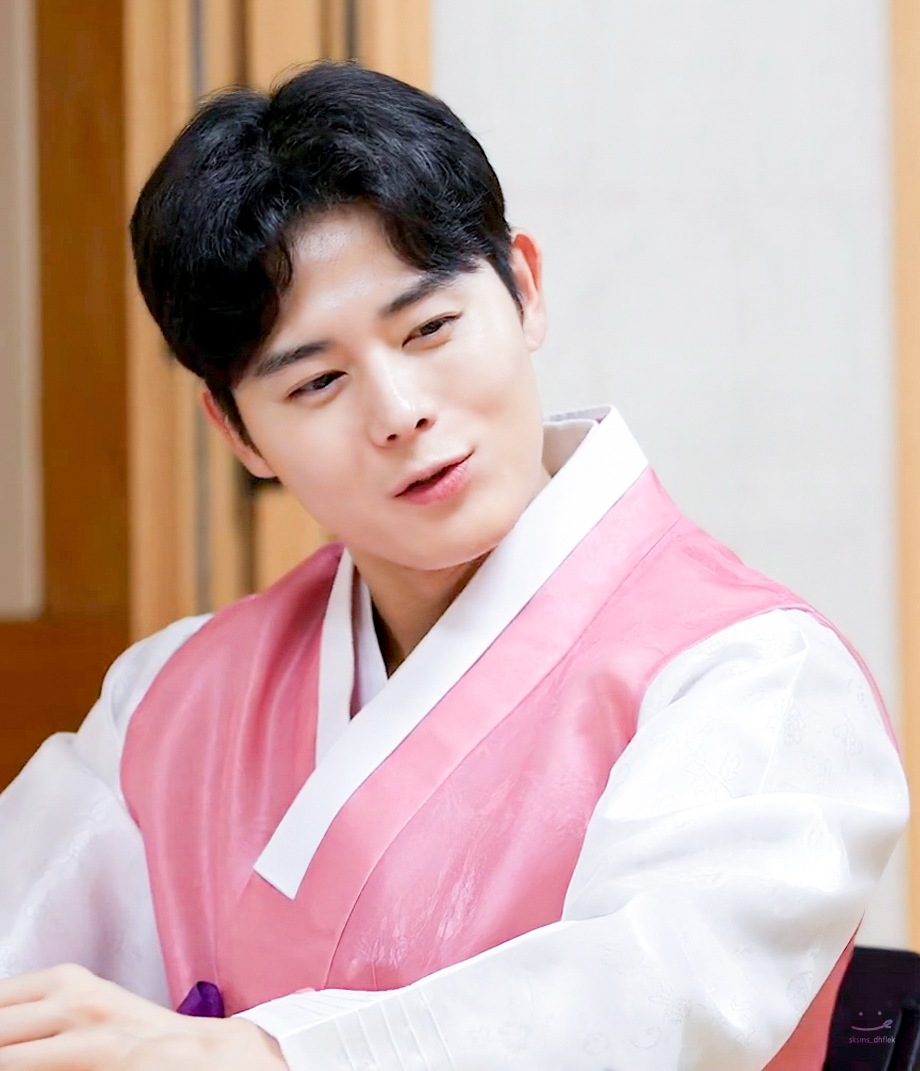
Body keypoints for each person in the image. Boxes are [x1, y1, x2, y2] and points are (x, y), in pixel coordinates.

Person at [0, 62, 908, 1071]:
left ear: (524, 288)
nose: (399, 413)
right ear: (237, 432)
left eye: (429, 328)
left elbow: (654, 1004)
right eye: (316, 383)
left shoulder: (752, 675)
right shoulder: (167, 701)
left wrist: (263, 1056)